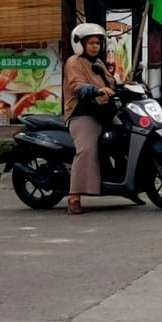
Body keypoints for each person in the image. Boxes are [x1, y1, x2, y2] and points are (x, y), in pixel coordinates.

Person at [62, 23, 117, 215]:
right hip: (81, 113)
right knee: (86, 148)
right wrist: (95, 90)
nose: (95, 46)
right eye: (91, 43)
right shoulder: (74, 62)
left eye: (98, 43)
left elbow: (112, 82)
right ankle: (74, 197)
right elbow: (77, 86)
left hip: (102, 111)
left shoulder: (99, 63)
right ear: (80, 43)